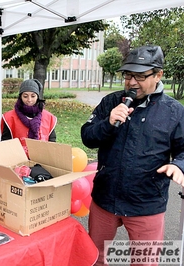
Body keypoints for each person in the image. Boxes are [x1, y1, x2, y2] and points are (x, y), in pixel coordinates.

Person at [81, 45, 184, 265]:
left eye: (139, 76)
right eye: (128, 75)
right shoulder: (111, 102)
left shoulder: (174, 111)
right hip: (105, 199)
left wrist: (179, 165)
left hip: (146, 203)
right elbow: (87, 136)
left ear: (158, 75)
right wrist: (107, 123)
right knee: (94, 257)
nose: (131, 82)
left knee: (145, 262)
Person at [0, 79, 57, 156]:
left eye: (33, 96)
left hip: (42, 161)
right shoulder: (9, 117)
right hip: (17, 161)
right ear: (20, 97)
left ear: (38, 96)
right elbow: (5, 143)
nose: (29, 100)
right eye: (25, 96)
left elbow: (52, 143)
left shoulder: (49, 118)